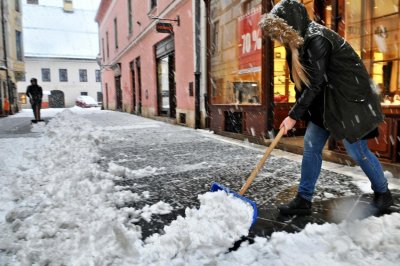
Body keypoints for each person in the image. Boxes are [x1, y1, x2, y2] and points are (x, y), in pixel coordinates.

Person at [259, 0, 393, 215]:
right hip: (326, 101)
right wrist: (297, 112)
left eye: (280, 32)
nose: (278, 38)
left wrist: (293, 116)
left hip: (350, 102)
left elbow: (316, 82)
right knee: (311, 147)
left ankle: (383, 193)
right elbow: (303, 85)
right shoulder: (296, 43)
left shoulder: (317, 40)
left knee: (357, 151)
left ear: (291, 25)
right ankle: (303, 199)